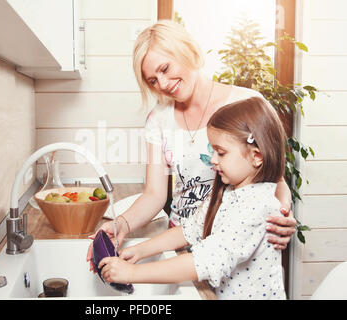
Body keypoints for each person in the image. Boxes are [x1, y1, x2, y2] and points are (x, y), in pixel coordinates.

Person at [87, 20, 296, 268]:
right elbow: (154, 194)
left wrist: (282, 214)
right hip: (181, 244)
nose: (162, 84)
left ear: (186, 50)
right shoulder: (158, 120)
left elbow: (276, 180)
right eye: (152, 80)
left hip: (236, 244)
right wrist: (119, 224)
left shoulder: (249, 103)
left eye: (165, 68)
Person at [98, 97, 287, 299]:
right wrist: (140, 250)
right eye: (213, 151)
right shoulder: (229, 192)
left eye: (221, 153)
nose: (213, 160)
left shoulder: (255, 207)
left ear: (256, 156)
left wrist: (133, 273)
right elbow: (191, 230)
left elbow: (204, 261)